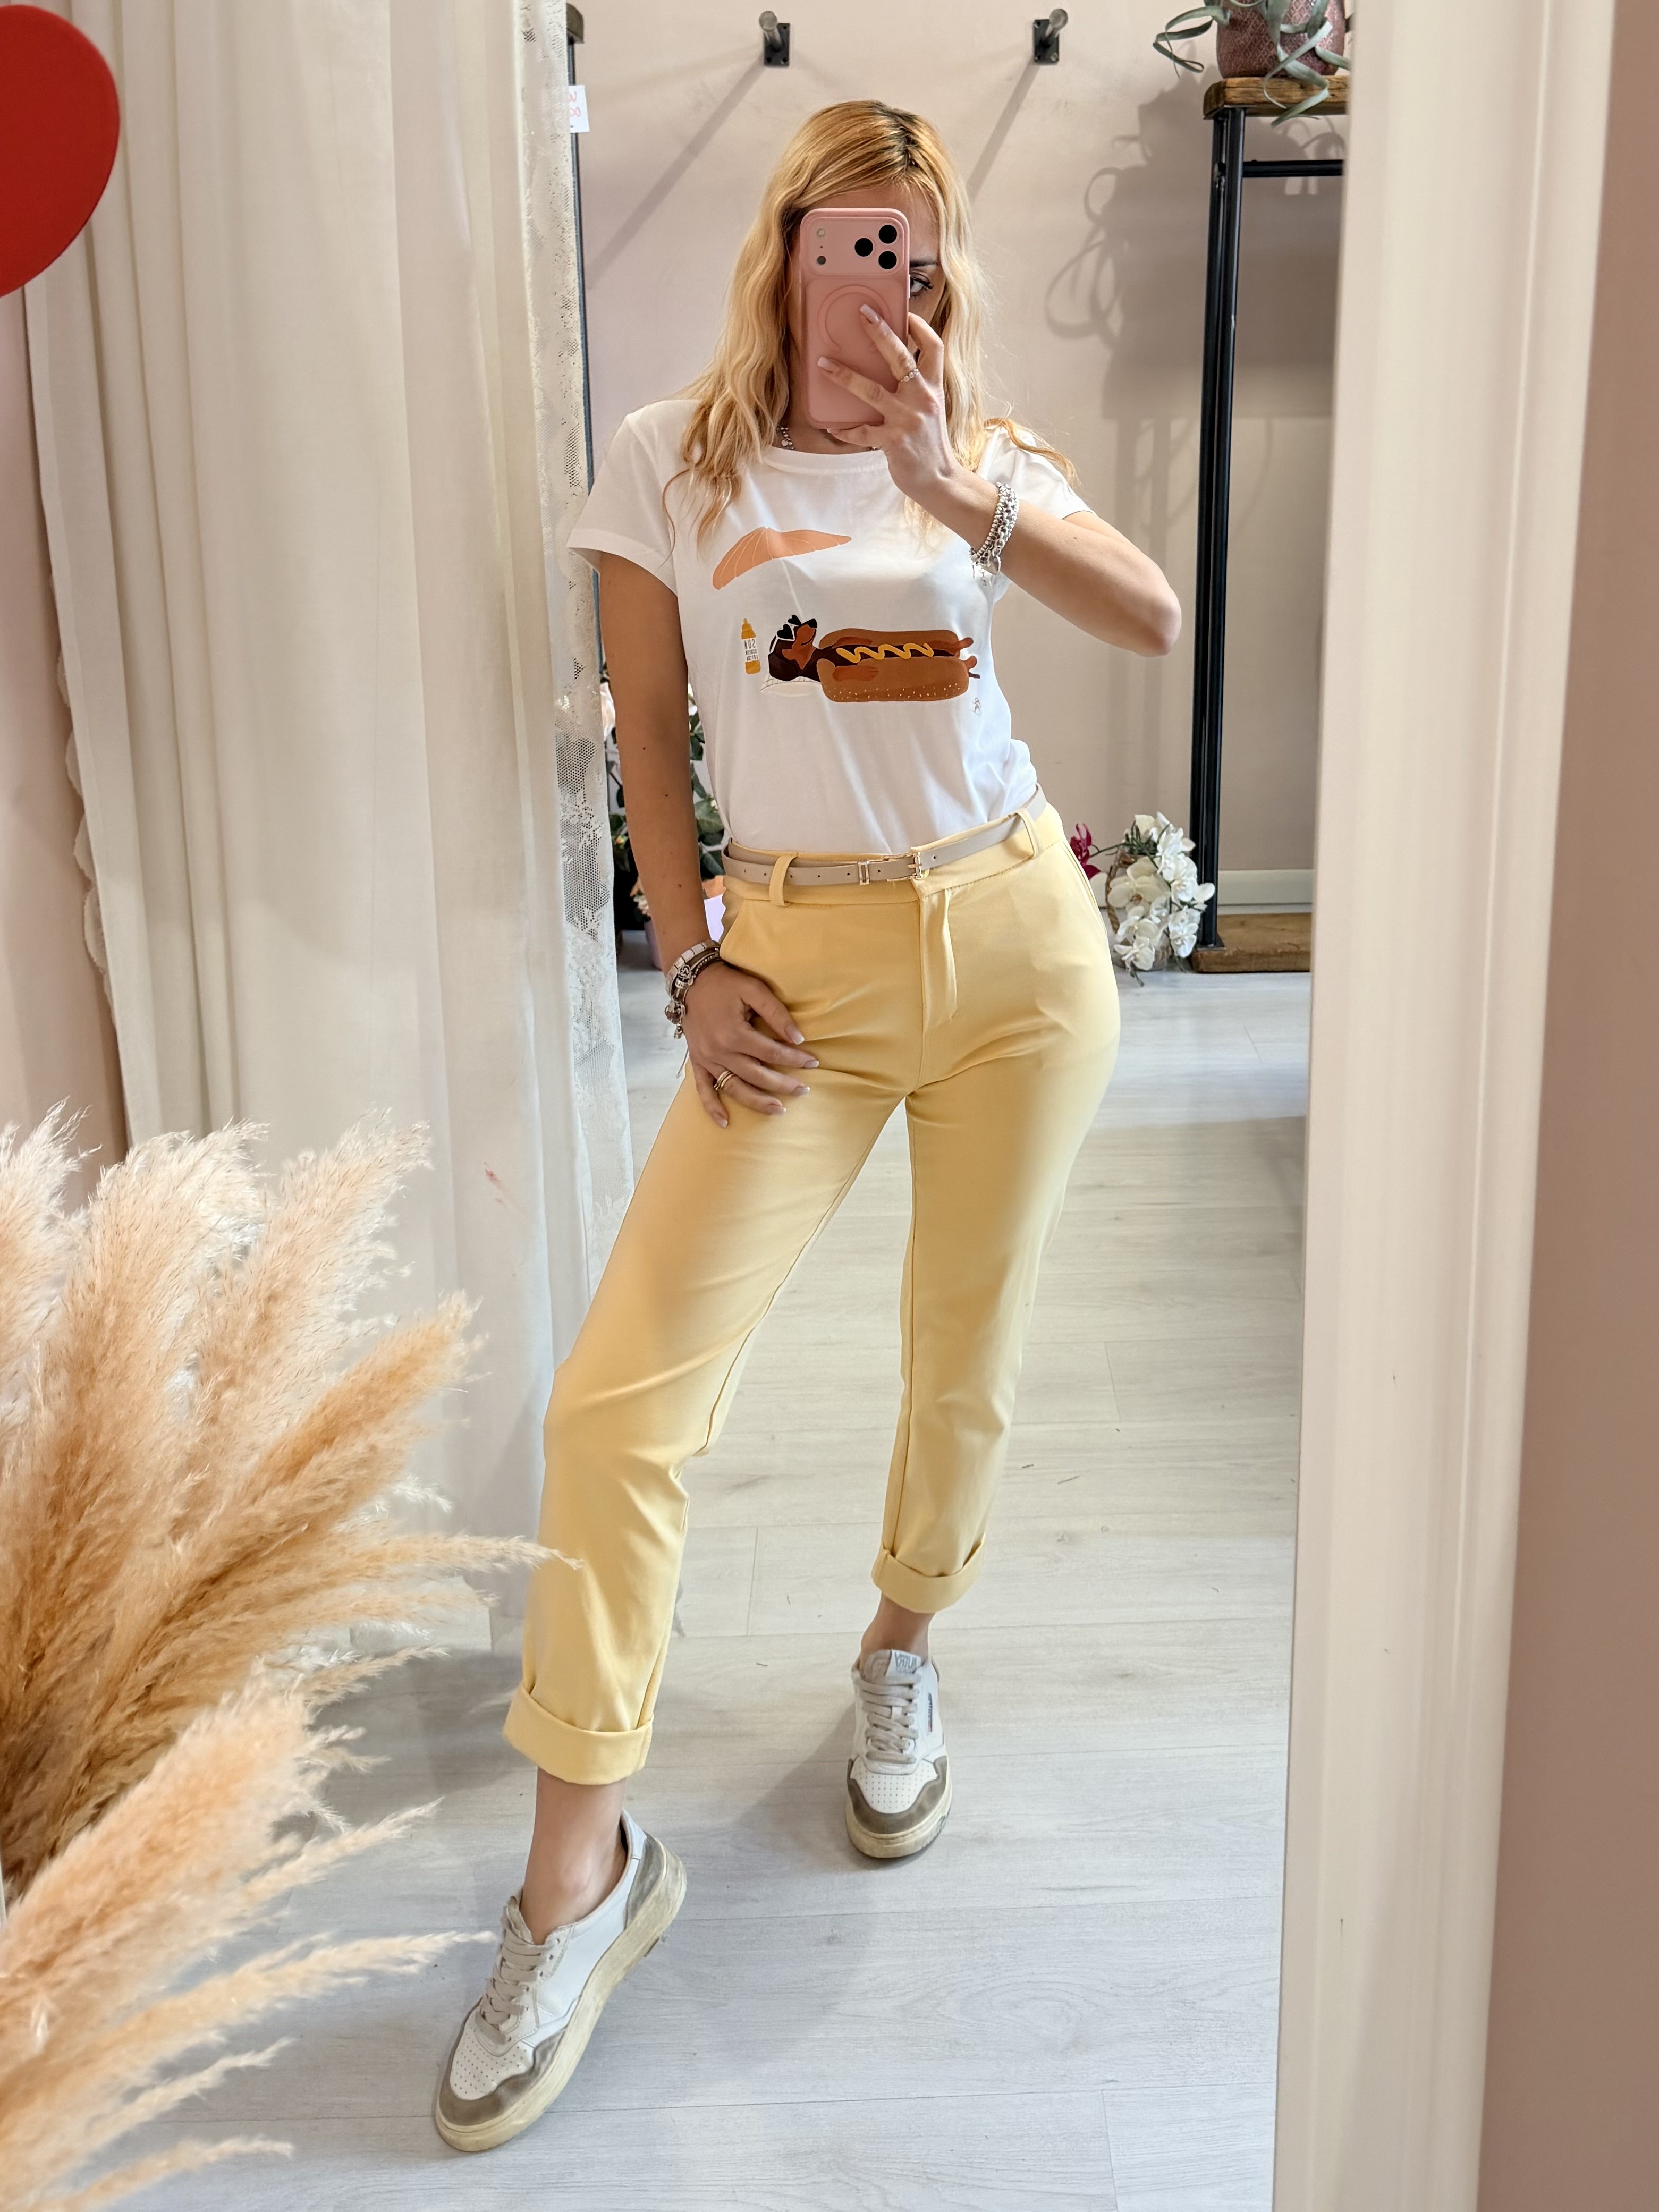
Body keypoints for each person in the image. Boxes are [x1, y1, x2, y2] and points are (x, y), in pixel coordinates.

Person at [434, 99, 1180, 2154]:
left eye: (909, 253)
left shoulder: (977, 455)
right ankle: (578, 1875)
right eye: (845, 241)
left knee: (967, 1348)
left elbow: (1149, 616)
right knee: (619, 1402)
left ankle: (901, 1642)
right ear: (780, 251)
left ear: (941, 276)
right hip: (796, 975)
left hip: (1014, 945)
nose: (876, 285)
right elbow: (648, 739)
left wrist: (955, 492)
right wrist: (685, 957)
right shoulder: (669, 462)